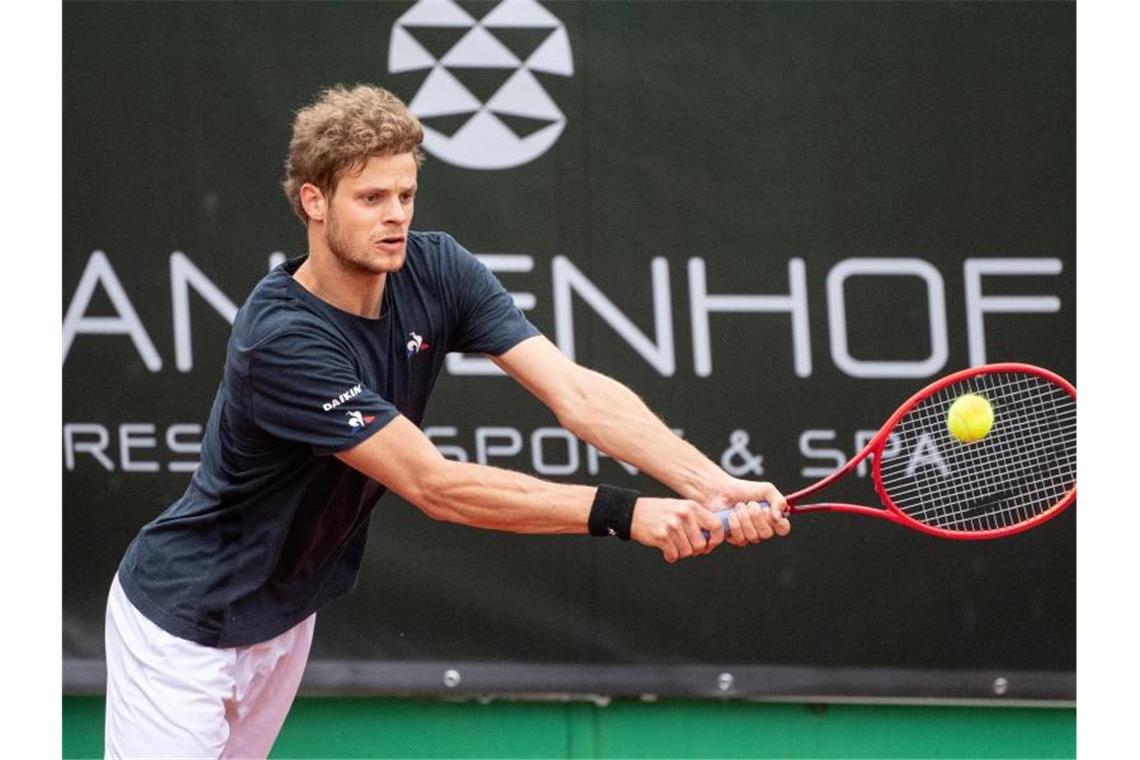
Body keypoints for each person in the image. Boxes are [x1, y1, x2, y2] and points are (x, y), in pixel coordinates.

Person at [103, 83, 791, 758]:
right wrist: (624, 512)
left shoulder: (437, 268)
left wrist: (710, 482)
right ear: (314, 202)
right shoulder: (280, 339)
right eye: (371, 198)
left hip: (285, 613)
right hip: (184, 625)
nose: (395, 215)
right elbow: (434, 486)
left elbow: (577, 393)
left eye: (404, 194)